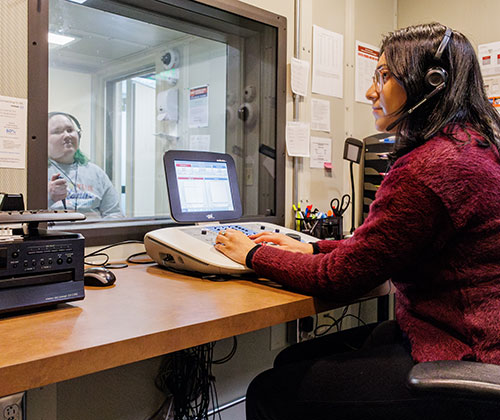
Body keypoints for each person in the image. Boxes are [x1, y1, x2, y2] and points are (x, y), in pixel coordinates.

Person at [214, 23, 500, 420]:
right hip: (459, 333)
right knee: (296, 357)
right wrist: (313, 246)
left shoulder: (429, 168)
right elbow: (385, 248)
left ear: (431, 82)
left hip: (468, 350)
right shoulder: (475, 147)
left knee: (269, 392)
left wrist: (254, 254)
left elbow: (343, 278)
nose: (370, 92)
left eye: (384, 77)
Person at [48, 112, 122, 219]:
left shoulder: (96, 173)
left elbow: (114, 213)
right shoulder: (38, 171)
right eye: (58, 131)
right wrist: (48, 196)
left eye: (70, 130)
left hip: (94, 234)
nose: (67, 135)